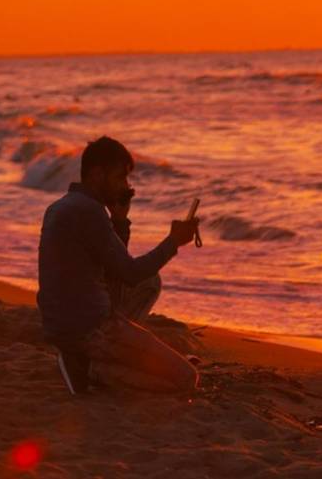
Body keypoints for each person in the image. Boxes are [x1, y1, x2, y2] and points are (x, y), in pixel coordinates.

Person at [37, 136, 200, 394]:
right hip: (91, 329)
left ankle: (92, 359)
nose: (125, 186)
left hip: (63, 324)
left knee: (150, 283)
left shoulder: (62, 206)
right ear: (97, 174)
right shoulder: (89, 212)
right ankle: (92, 369)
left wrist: (120, 221)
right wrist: (173, 242)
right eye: (120, 177)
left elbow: (114, 271)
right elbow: (130, 273)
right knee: (187, 379)